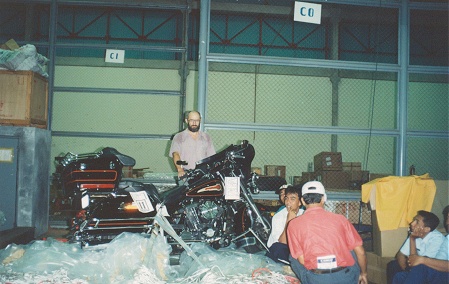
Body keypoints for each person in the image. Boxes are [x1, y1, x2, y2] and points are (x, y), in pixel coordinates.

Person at [287, 181, 368, 284]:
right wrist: (364, 274)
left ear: (302, 201)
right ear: (324, 198)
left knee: (293, 256)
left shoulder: (293, 224)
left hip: (317, 279)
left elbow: (302, 260)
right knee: (353, 248)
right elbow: (361, 252)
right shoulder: (341, 219)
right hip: (345, 277)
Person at [392, 206, 449, 284]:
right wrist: (412, 239)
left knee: (421, 267)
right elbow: (439, 262)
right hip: (441, 272)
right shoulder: (448, 239)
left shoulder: (437, 238)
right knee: (400, 276)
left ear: (426, 229)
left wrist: (422, 260)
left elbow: (424, 262)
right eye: (448, 218)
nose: (447, 222)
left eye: (417, 221)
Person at [169, 111, 215, 177]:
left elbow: (212, 157)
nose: (194, 123)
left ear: (200, 121)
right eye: (191, 120)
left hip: (203, 175)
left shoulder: (206, 137)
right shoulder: (179, 137)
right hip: (186, 174)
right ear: (186, 121)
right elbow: (175, 154)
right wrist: (180, 170)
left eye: (197, 120)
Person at [266, 185, 304, 264]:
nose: (288, 202)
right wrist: (289, 220)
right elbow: (282, 242)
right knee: (278, 247)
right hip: (280, 250)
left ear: (300, 202)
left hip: (297, 249)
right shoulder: (278, 216)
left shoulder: (303, 214)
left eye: (292, 199)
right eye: (286, 198)